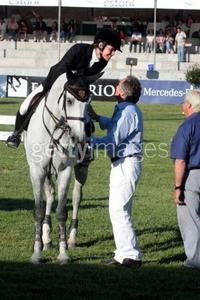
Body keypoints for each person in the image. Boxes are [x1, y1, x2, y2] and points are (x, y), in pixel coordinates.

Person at [6, 28, 122, 148]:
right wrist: (76, 79)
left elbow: (86, 81)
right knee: (25, 106)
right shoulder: (79, 50)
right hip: (53, 83)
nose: (113, 53)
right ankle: (16, 135)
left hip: (74, 93)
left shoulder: (102, 62)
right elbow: (61, 69)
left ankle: (85, 148)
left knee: (86, 119)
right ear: (101, 45)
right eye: (112, 49)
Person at [88, 75, 143, 268]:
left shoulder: (127, 112)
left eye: (118, 85)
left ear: (121, 91)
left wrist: (87, 142)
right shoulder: (126, 110)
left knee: (119, 210)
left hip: (125, 163)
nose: (115, 87)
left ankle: (131, 255)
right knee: (119, 210)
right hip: (122, 163)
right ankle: (123, 254)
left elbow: (112, 140)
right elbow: (114, 127)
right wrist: (95, 117)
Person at [171, 89, 200, 269]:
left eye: (183, 102)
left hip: (194, 176)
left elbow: (180, 160)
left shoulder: (187, 126)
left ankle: (194, 261)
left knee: (190, 218)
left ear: (189, 105)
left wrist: (177, 187)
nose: (182, 105)